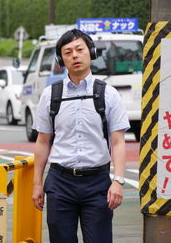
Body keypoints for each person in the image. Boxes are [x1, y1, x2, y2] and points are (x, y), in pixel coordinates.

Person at [32, 29, 129, 243]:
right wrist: (37, 183)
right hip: (59, 182)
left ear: (91, 52)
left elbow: (118, 142)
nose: (74, 55)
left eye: (79, 49)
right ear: (60, 59)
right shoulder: (51, 94)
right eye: (68, 52)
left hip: (97, 183)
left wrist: (118, 182)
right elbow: (42, 140)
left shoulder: (108, 93)